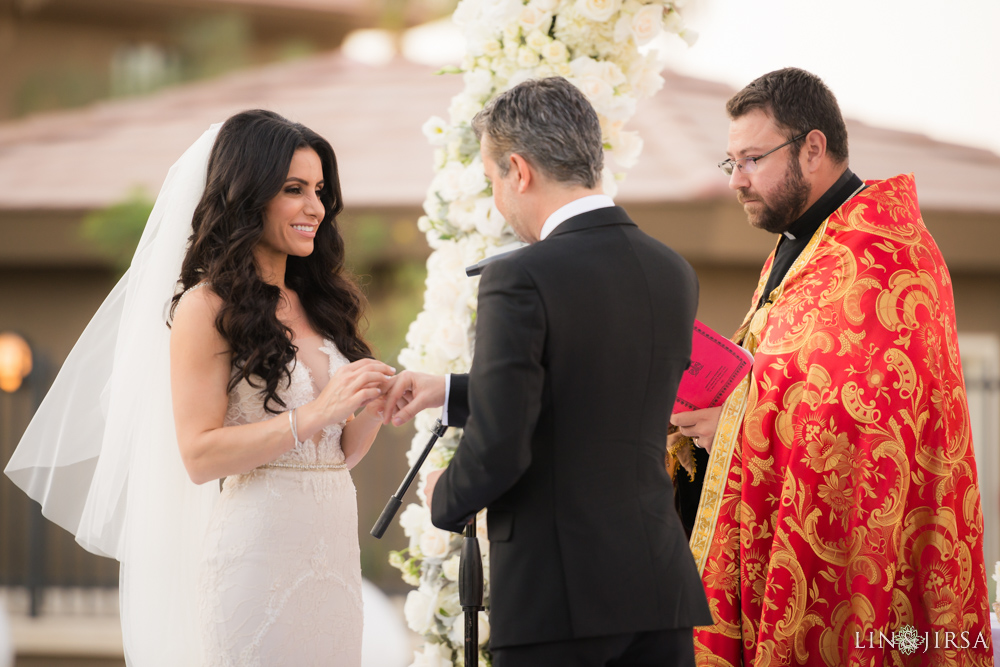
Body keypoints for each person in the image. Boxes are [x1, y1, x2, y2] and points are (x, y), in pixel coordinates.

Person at [5, 110, 394, 666]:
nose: (315, 208)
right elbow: (200, 454)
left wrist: (375, 406)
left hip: (332, 557)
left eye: (320, 191)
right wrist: (316, 412)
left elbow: (338, 454)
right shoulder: (206, 307)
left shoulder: (321, 306)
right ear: (247, 195)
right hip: (257, 558)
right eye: (294, 190)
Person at [383, 77, 712, 667]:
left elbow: (501, 451)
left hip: (558, 600)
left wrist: (444, 496)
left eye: (491, 181)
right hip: (659, 592)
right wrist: (455, 391)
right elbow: (596, 394)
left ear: (518, 169)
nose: (497, 202)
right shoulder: (672, 271)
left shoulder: (522, 276)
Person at [670, 68, 992, 666]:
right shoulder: (805, 245)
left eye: (752, 159)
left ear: (812, 148)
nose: (737, 180)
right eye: (729, 162)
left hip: (859, 558)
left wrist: (735, 423)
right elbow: (786, 378)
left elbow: (863, 419)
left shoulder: (884, 255)